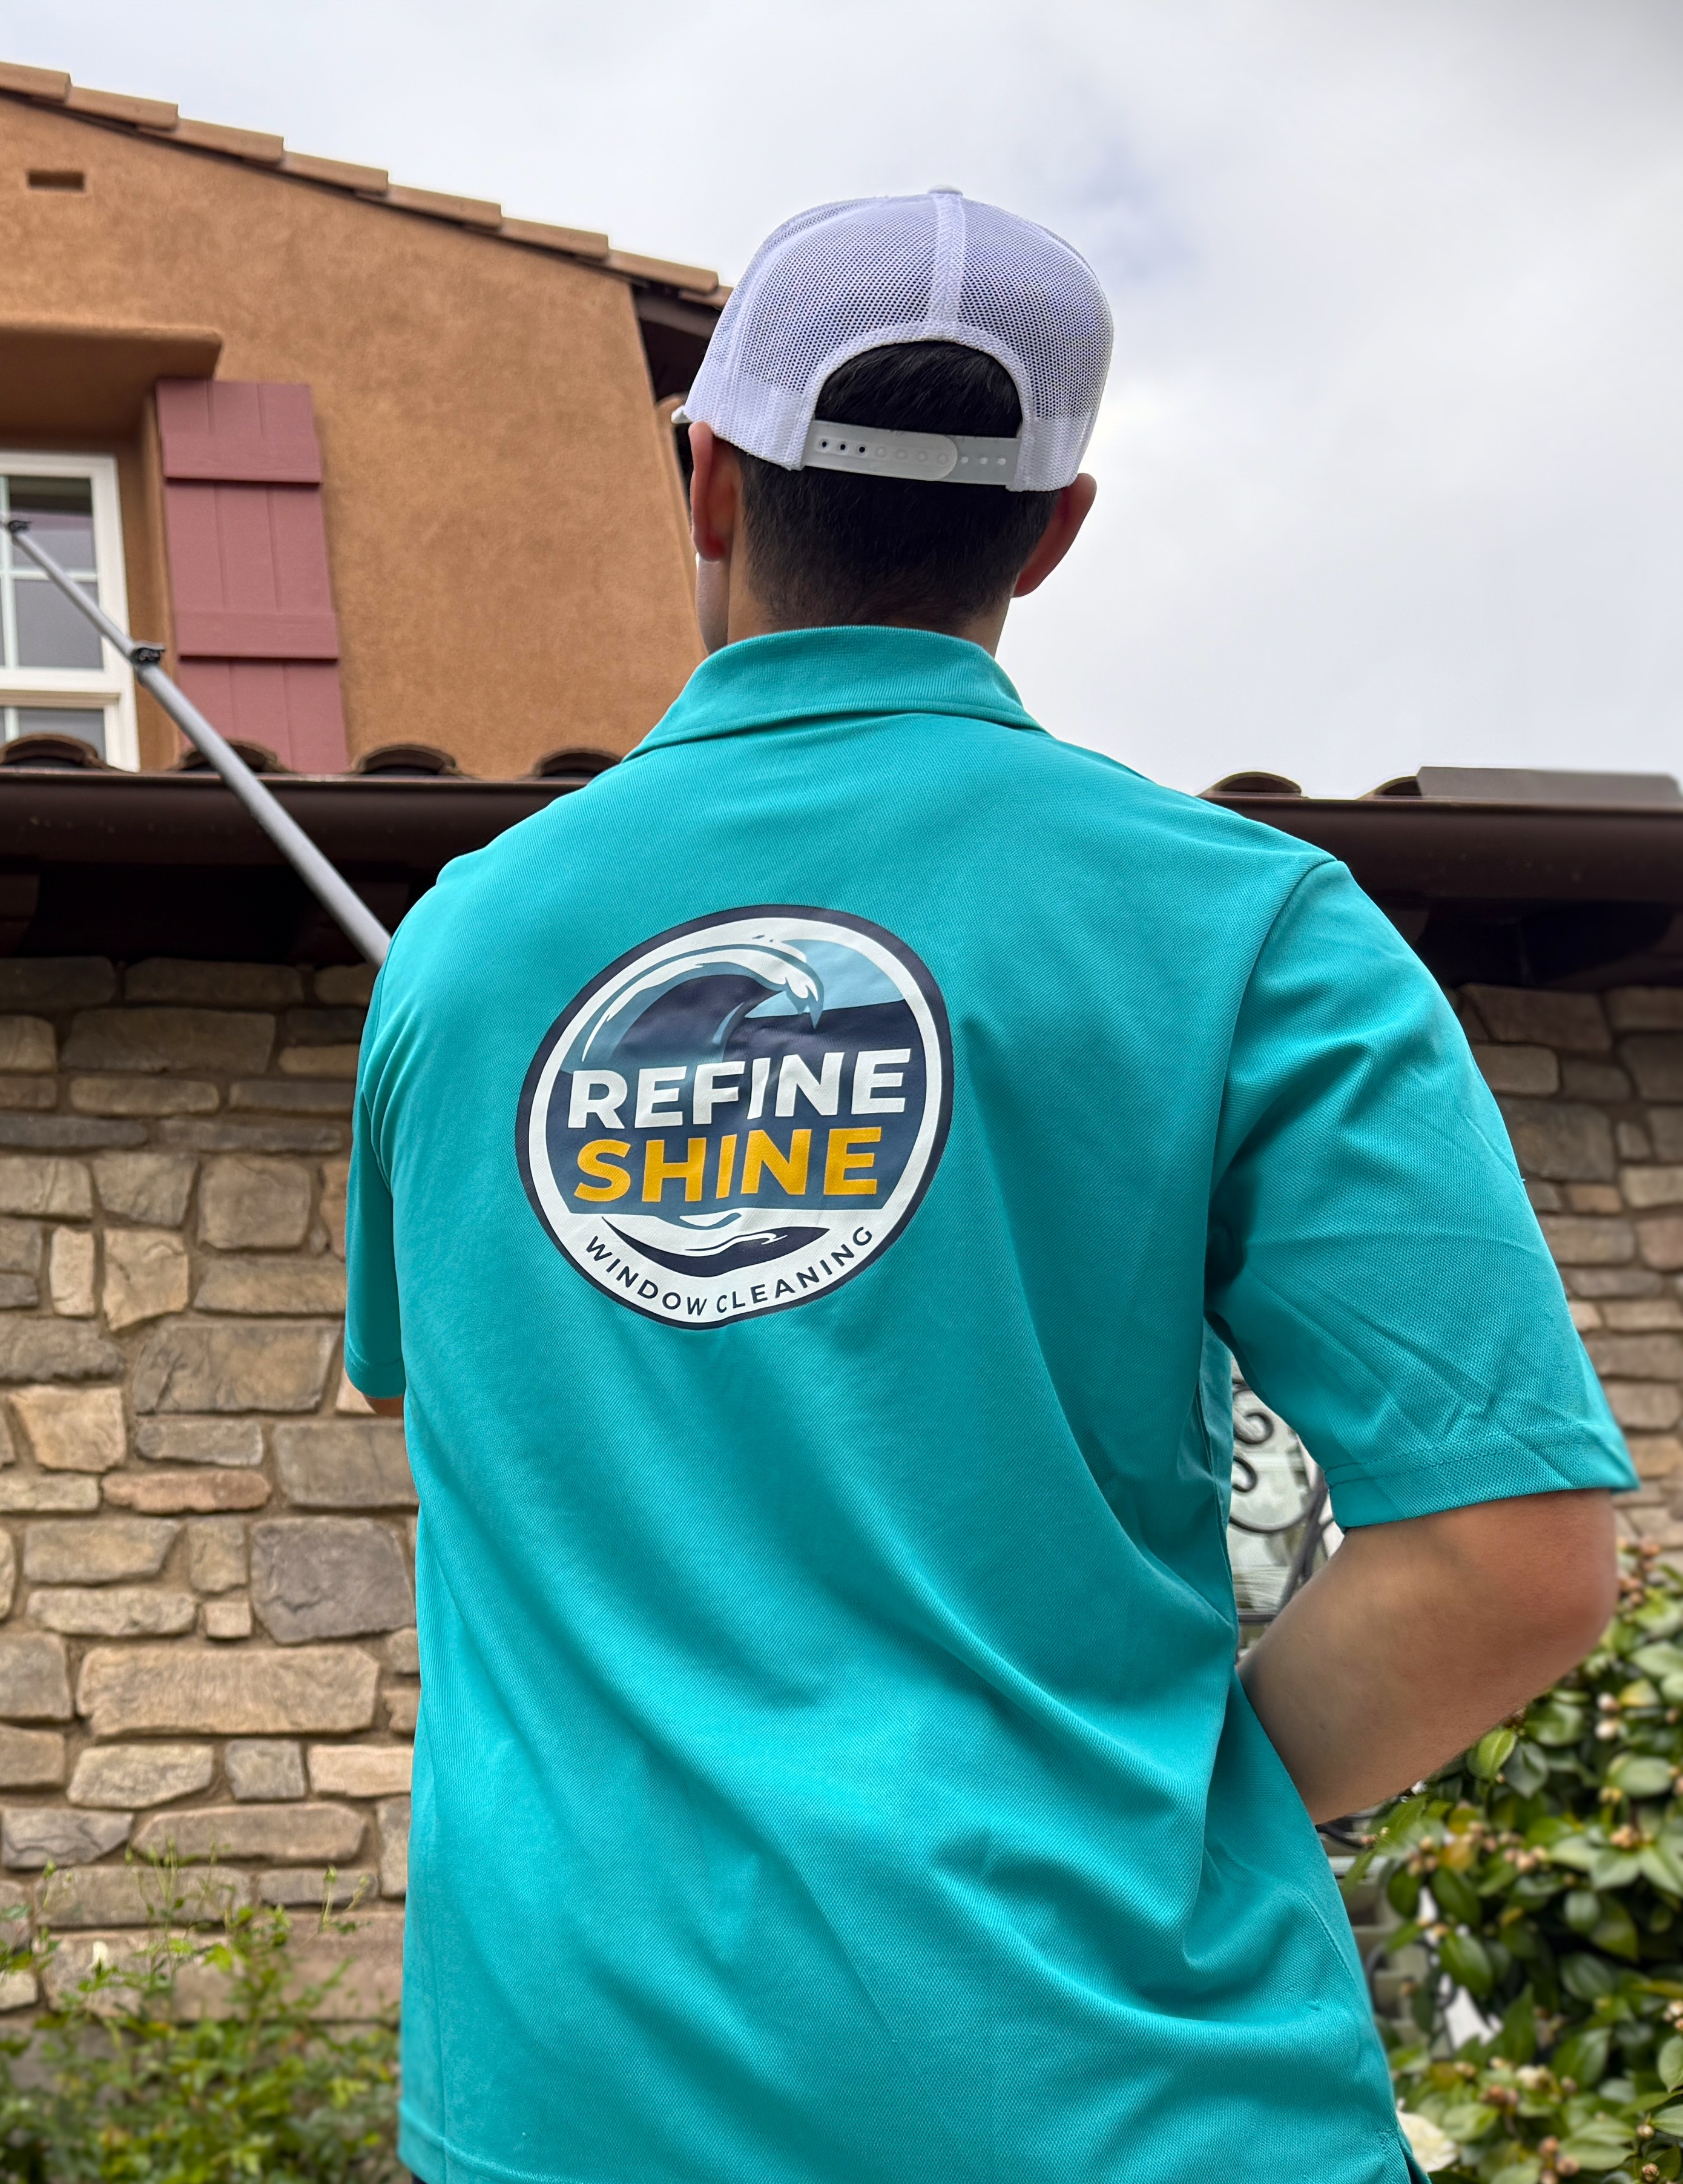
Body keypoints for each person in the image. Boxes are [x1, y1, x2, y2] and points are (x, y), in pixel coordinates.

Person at [346, 188, 1631, 2184]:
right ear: (1052, 531)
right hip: (1129, 2105)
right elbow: (1513, 1559)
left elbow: (426, 1386)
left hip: (573, 2106)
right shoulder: (1248, 928)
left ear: (709, 479)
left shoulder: (460, 946)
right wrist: (1185, 1805)